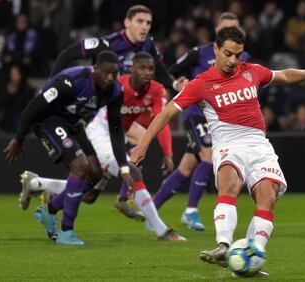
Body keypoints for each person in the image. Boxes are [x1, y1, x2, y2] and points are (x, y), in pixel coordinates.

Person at [131, 26, 305, 275]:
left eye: (238, 55)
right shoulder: (200, 85)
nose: (233, 60)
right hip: (228, 144)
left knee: (268, 197)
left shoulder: (251, 71)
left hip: (259, 145)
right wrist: (143, 145)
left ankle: (251, 256)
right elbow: (167, 113)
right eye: (228, 53)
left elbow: (285, 75)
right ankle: (223, 245)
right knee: (228, 183)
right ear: (215, 49)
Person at [18, 52, 185, 241]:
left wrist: (168, 152)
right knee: (133, 173)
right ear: (131, 69)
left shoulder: (156, 90)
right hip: (98, 134)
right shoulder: (115, 83)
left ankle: (36, 184)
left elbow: (161, 120)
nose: (147, 72)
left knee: (89, 195)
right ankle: (161, 230)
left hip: (116, 136)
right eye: (142, 68)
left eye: (151, 68)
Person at [4, 51, 132, 246]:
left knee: (96, 174)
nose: (110, 78)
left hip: (72, 123)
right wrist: (19, 138)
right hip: (46, 120)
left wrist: (123, 166)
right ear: (95, 69)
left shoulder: (115, 91)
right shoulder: (72, 81)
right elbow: (35, 106)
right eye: (106, 73)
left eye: (115, 73)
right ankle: (66, 231)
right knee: (80, 167)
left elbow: (116, 129)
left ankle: (49, 210)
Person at [152, 12, 249, 231]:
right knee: (208, 153)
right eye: (226, 28)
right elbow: (171, 71)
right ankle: (191, 211)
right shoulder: (199, 52)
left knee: (186, 167)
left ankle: (151, 209)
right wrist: (179, 83)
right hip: (197, 112)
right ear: (217, 31)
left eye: (235, 28)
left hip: (221, 117)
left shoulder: (244, 56)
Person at [50, 5, 187, 91]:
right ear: (127, 23)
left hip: (130, 102)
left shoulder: (148, 44)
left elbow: (161, 72)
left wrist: (175, 84)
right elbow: (66, 55)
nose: (145, 26)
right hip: (103, 102)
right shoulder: (108, 43)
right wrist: (50, 85)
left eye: (148, 23)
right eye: (140, 21)